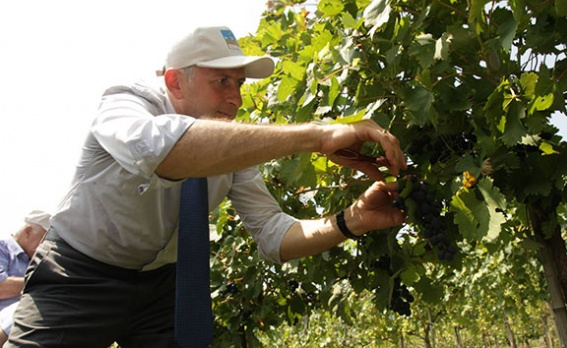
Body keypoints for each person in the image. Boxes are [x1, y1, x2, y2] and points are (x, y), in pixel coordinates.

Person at [6, 26, 407, 347]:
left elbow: (273, 235)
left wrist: (351, 220)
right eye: (222, 82)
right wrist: (318, 136)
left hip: (163, 288)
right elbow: (167, 153)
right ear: (176, 81)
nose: (235, 98)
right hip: (79, 275)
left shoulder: (230, 148)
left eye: (239, 84)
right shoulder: (126, 104)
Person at [0, 210, 50, 346]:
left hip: (26, 326)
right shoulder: (2, 248)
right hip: (8, 320)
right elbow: (1, 287)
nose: (45, 247)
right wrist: (42, 283)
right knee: (23, 307)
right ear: (28, 231)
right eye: (43, 240)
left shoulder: (38, 261)